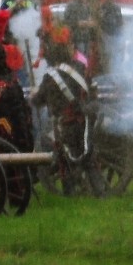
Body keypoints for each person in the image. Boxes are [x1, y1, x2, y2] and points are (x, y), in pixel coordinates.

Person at [30, 27, 103, 195]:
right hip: (85, 118)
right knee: (89, 157)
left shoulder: (50, 76)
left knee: (65, 159)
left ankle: (70, 193)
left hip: (66, 122)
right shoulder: (79, 67)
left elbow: (38, 100)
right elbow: (92, 88)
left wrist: (35, 94)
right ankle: (99, 191)